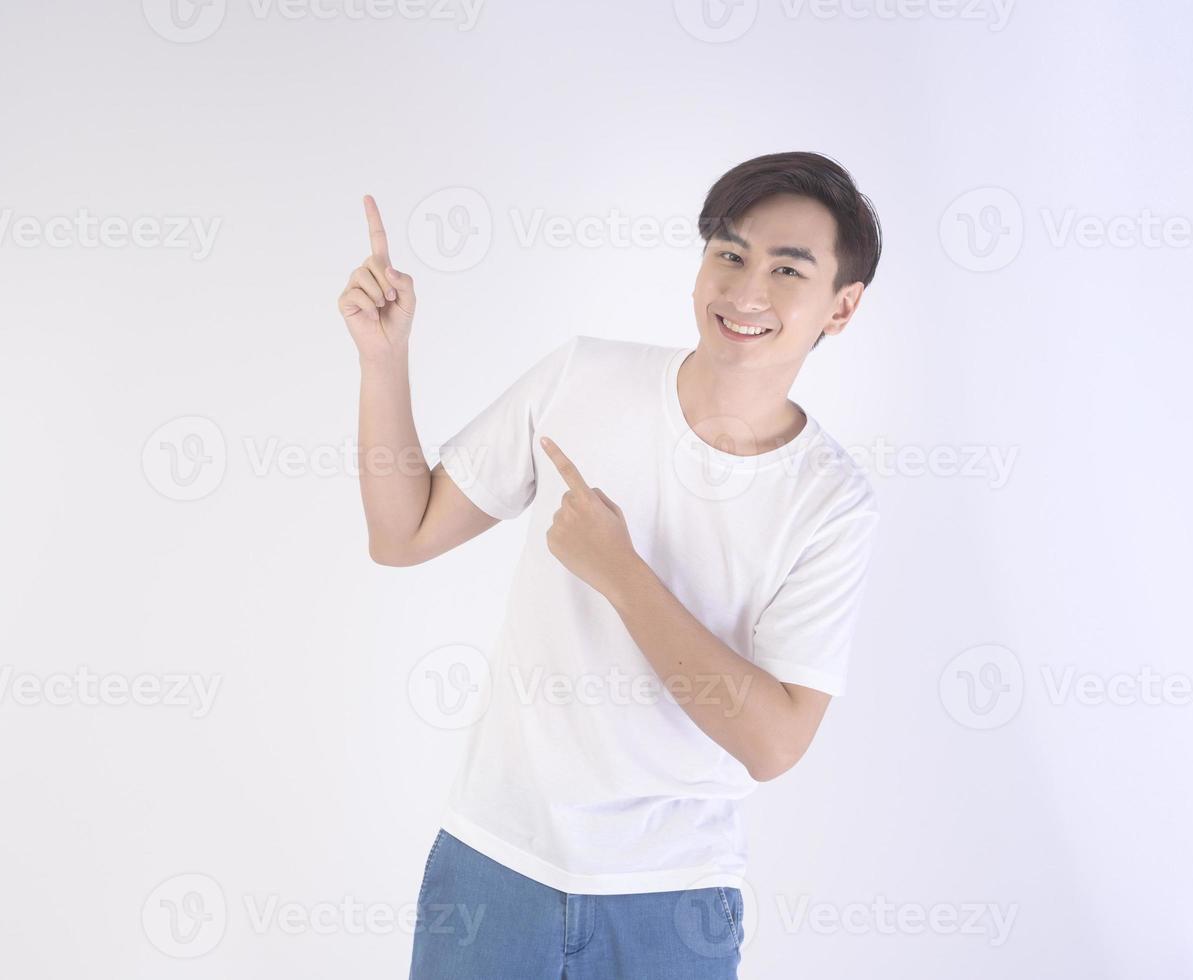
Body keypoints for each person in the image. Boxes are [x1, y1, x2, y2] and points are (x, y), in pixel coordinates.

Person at [339, 150, 883, 979]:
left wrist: (620, 572)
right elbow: (402, 533)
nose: (745, 292)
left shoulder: (830, 500)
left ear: (840, 309)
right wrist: (383, 359)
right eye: (728, 254)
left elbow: (773, 744)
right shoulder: (583, 376)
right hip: (494, 861)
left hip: (672, 900)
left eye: (786, 270)